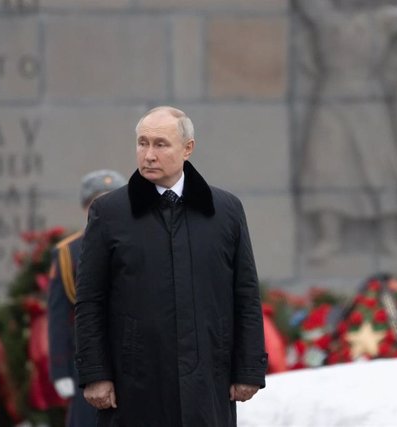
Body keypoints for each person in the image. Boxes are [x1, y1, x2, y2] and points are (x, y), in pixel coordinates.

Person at [74, 106, 267, 426]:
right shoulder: (109, 212)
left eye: (160, 144)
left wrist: (248, 369)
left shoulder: (225, 210)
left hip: (207, 380)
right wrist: (95, 373)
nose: (148, 155)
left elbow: (245, 294)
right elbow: (90, 299)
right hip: (133, 383)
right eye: (142, 143)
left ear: (187, 149)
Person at [47, 169, 127, 427]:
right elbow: (59, 316)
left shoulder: (142, 244)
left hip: (133, 357)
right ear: (86, 207)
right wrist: (60, 370)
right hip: (87, 361)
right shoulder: (68, 253)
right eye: (97, 201)